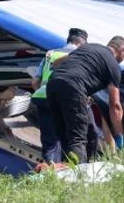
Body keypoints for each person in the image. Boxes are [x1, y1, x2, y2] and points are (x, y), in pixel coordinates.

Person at [46, 36, 124, 164]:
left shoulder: (89, 47)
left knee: (69, 137)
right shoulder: (113, 66)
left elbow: (57, 63)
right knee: (78, 140)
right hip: (74, 87)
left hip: (53, 84)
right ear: (122, 51)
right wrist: (119, 137)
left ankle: (65, 169)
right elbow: (115, 105)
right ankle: (77, 176)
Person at [30, 28, 88, 163]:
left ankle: (49, 170)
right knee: (69, 139)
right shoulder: (80, 56)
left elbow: (35, 82)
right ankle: (66, 170)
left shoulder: (50, 54)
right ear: (82, 43)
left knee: (49, 141)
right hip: (66, 101)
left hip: (43, 98)